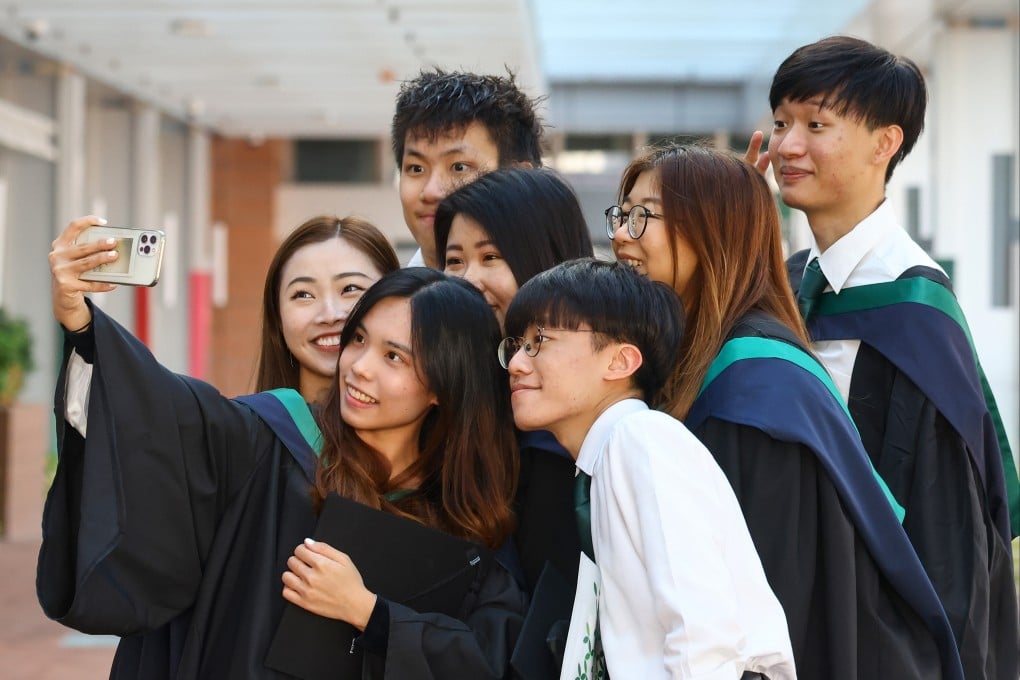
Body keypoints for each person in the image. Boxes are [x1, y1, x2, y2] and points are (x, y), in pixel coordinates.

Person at [38, 216, 524, 679]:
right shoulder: (267, 438)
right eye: (359, 340)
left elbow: (487, 657)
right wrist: (83, 326)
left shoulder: (461, 517)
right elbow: (158, 412)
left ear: (446, 384)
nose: (358, 367)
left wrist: (370, 613)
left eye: (394, 356)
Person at [609, 142, 963, 679]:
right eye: (621, 214)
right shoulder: (702, 359)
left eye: (643, 218)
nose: (619, 236)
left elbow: (768, 605)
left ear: (711, 230)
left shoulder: (754, 389)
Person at [766, 36, 1018, 679]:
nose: (786, 147)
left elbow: (948, 538)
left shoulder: (910, 310)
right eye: (779, 123)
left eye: (816, 124)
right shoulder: (792, 284)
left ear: (885, 144)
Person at [501, 258, 796, 680]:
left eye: (540, 341)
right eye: (515, 345)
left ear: (620, 362)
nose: (516, 364)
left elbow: (701, 631)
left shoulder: (639, 438)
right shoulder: (607, 457)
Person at [435, 167, 594, 674]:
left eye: (491, 257)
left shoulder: (563, 439)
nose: (466, 280)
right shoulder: (460, 400)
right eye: (454, 260)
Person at [392, 68, 544, 268]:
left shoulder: (565, 297)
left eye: (459, 167)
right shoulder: (380, 297)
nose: (431, 192)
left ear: (520, 179)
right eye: (416, 168)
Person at [255, 215, 399, 402]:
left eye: (350, 289)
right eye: (304, 295)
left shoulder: (436, 427)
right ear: (278, 317)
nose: (330, 315)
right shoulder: (249, 428)